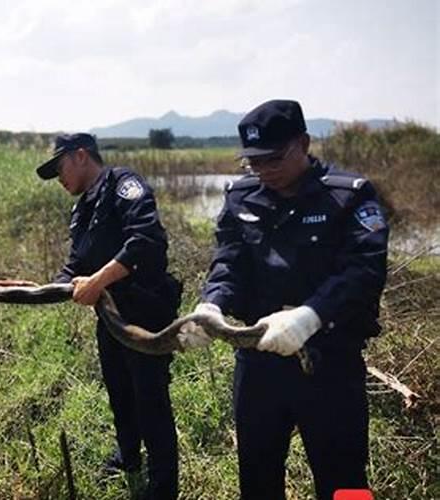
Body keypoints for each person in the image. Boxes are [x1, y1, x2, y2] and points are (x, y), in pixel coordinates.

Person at [190, 100, 389, 499]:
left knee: (344, 484)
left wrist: (311, 316)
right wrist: (212, 303)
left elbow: (364, 270)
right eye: (253, 162)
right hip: (259, 362)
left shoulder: (347, 196)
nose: (263, 170)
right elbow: (230, 261)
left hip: (329, 361)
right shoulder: (240, 196)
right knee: (258, 479)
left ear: (304, 143)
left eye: (273, 158)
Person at [35, 133, 182, 499]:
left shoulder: (123, 184)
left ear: (81, 156)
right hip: (111, 317)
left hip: (145, 316)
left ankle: (162, 486)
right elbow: (74, 268)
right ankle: (129, 457)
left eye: (60, 167)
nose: (59, 177)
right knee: (120, 391)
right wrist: (34, 288)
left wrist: (99, 281)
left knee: (150, 399)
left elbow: (146, 240)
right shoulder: (83, 207)